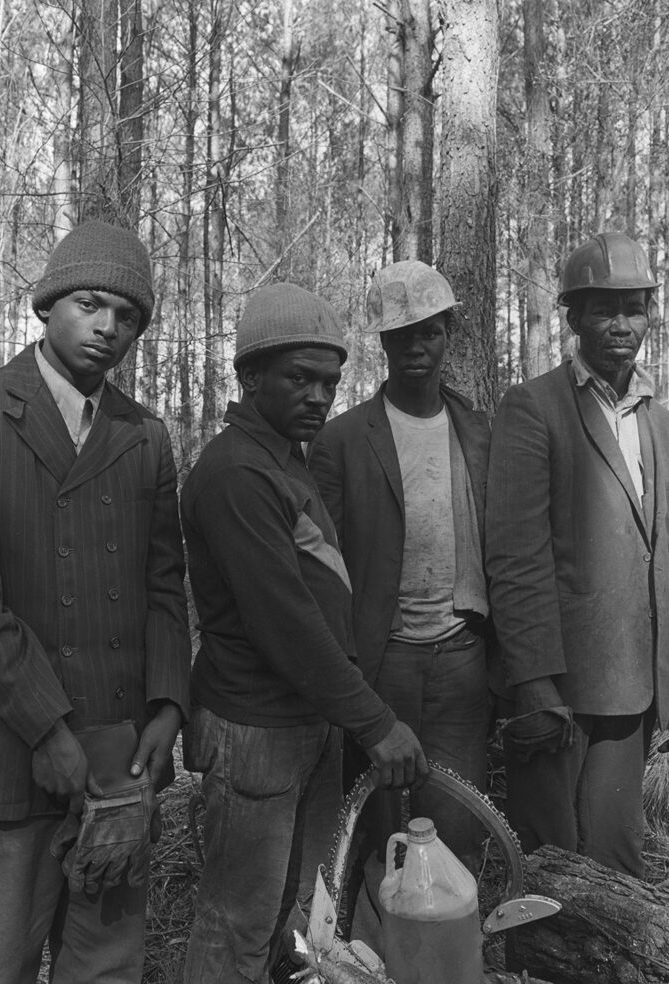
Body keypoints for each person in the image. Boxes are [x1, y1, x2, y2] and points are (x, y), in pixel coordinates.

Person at [0, 220, 192, 983]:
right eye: (91, 304)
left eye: (127, 316)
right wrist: (46, 728)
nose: (107, 327)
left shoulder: (145, 437)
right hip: (6, 756)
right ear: (47, 306)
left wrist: (168, 706)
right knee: (1, 966)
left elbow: (165, 586)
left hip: (118, 760)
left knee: (106, 967)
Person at [180, 282, 427, 984]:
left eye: (329, 381)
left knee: (289, 913)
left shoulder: (285, 460)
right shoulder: (236, 473)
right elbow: (285, 625)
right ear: (250, 377)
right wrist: (374, 721)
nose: (319, 396)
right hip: (256, 728)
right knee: (237, 920)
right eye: (299, 378)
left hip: (303, 722)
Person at [486, 231, 669, 879]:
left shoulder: (666, 428)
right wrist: (532, 683)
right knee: (549, 862)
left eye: (634, 308)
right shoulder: (533, 408)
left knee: (616, 860)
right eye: (603, 309)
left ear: (650, 314)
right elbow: (515, 556)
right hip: (555, 686)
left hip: (635, 688)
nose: (621, 324)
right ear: (575, 317)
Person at [307, 260, 493, 877]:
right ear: (383, 343)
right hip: (381, 659)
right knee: (377, 831)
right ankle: (374, 961)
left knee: (457, 830)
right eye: (401, 334)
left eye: (429, 332)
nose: (416, 345)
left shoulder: (479, 432)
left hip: (461, 658)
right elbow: (321, 570)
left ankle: (448, 953)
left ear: (448, 337)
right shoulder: (341, 440)